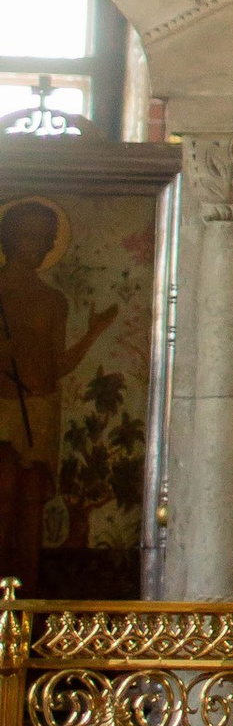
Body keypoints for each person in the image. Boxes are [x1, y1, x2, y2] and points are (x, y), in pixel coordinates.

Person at [0, 200, 115, 595]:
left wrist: (93, 333)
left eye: (45, 239)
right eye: (29, 236)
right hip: (1, 409)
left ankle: (29, 604)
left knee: (32, 503)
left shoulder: (54, 301)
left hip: (41, 409)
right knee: (3, 496)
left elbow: (57, 365)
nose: (38, 246)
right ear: (10, 238)